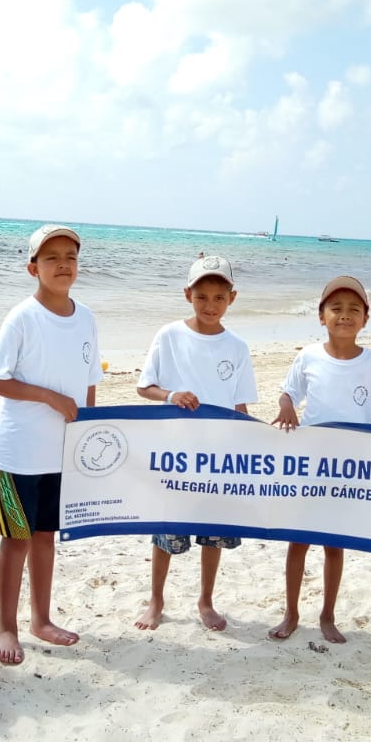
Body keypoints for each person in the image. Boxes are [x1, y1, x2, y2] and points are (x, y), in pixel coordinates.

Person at [0, 224, 102, 665]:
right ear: (33, 267)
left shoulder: (86, 317)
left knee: (45, 536)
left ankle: (40, 619)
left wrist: (86, 432)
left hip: (62, 450)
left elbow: (90, 382)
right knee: (16, 540)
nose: (63, 264)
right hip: (19, 452)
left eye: (70, 256)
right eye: (52, 258)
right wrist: (49, 397)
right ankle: (6, 625)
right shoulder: (22, 317)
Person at [270, 276, 371, 644]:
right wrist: (286, 407)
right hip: (310, 462)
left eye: (353, 310)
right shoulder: (308, 355)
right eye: (336, 309)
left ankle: (328, 615)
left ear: (366, 319)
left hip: (348, 466)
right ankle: (291, 612)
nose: (345, 316)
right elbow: (287, 392)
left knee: (333, 544)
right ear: (321, 316)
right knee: (298, 542)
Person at [133, 255, 258, 631]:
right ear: (188, 294)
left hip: (219, 457)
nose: (210, 305)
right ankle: (156, 600)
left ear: (232, 298)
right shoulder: (169, 336)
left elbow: (240, 406)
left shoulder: (237, 347)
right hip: (174, 455)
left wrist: (254, 444)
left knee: (213, 533)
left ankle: (206, 600)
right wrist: (171, 395)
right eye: (201, 296)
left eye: (218, 298)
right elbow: (144, 386)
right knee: (166, 532)